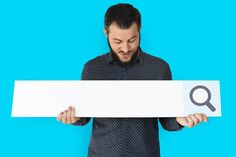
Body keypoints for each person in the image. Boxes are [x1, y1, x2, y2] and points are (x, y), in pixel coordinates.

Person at [57, 3, 208, 157]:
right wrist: (74, 118)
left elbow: (167, 120)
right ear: (105, 33)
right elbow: (84, 117)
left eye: (132, 40)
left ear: (140, 30)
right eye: (117, 41)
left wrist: (180, 120)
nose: (125, 48)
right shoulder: (93, 69)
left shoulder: (158, 68)